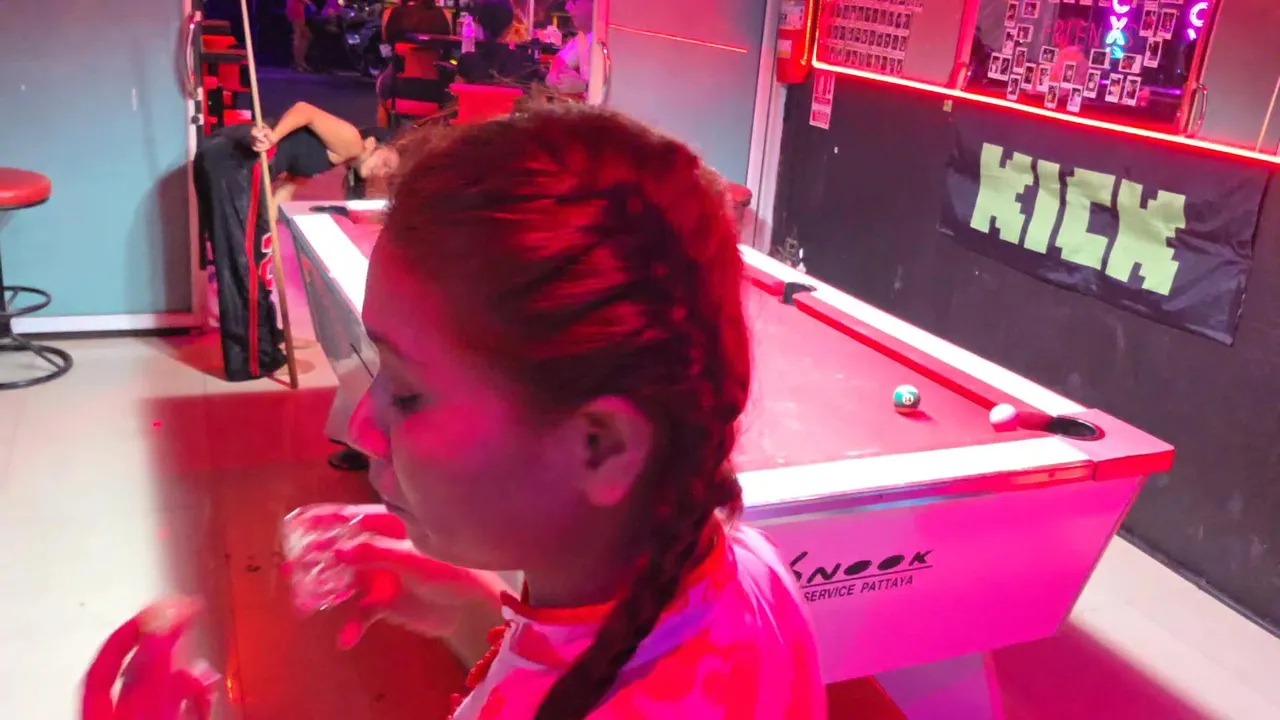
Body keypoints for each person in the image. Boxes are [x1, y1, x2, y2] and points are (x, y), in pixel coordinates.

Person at [302, 106, 827, 717]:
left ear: (601, 446)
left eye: (408, 394)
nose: (361, 428)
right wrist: (470, 609)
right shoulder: (750, 568)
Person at [192, 102, 399, 382]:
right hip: (235, 161)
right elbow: (305, 111)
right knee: (243, 264)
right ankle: (254, 360)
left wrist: (268, 221)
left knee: (256, 256)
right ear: (372, 142)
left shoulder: (332, 157)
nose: (383, 172)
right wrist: (273, 137)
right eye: (386, 162)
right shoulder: (351, 140)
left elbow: (285, 191)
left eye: (389, 172)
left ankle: (268, 337)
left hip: (235, 162)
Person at [375, 0, 454, 127]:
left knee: (382, 94)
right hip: (436, 88)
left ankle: (382, 135)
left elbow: (386, 39)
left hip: (398, 86)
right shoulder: (444, 15)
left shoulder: (390, 14)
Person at [455, 0, 542, 85]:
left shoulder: (466, 62)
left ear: (479, 23)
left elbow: (456, 90)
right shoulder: (526, 63)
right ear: (510, 28)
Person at [545, 0, 592, 95]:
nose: (567, 7)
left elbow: (618, 91)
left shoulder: (615, 41)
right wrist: (556, 74)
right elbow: (560, 60)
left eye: (574, 1)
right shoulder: (583, 37)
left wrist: (584, 87)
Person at [286, 0, 313, 72]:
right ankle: (298, 63)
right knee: (299, 36)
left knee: (305, 36)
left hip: (299, 8)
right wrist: (308, 3)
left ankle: (301, 61)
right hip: (296, 8)